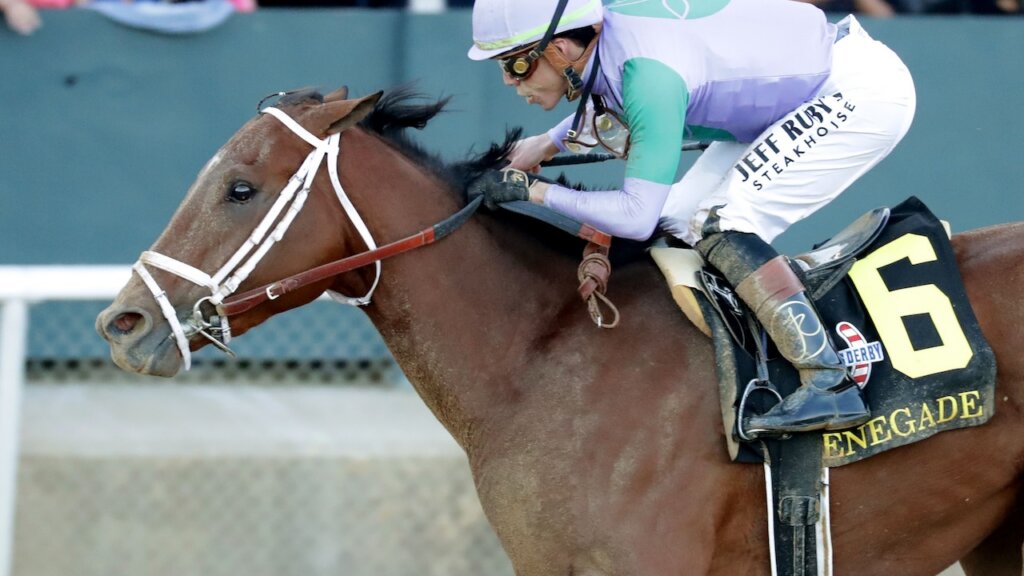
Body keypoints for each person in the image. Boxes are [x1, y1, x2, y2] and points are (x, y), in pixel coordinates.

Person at [466, 0, 916, 437]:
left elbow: (635, 215)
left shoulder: (647, 76)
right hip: (805, 85)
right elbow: (614, 105)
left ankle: (829, 379)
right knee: (680, 219)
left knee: (722, 222)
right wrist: (546, 143)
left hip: (854, 92)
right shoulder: (611, 40)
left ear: (559, 50)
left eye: (516, 65)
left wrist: (537, 191)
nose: (508, 80)